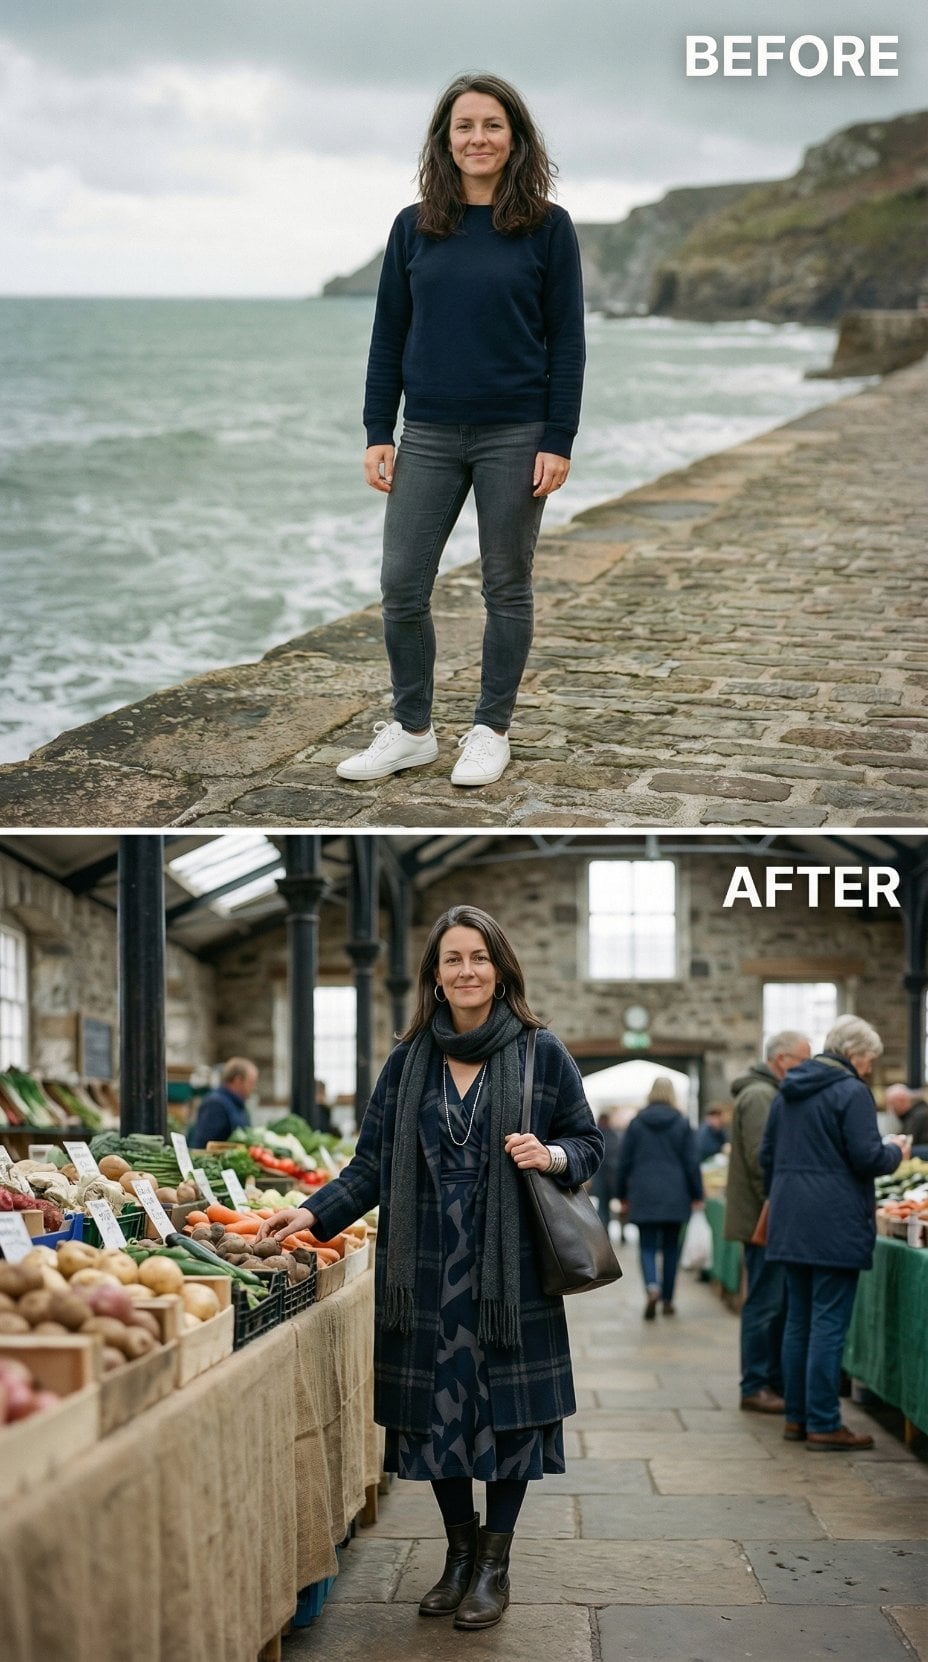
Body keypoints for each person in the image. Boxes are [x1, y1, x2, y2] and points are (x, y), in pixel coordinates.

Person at [258, 905, 603, 1629]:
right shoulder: (407, 1059)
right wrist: (314, 1215)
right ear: (436, 977)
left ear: (501, 968)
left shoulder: (543, 1052)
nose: (467, 970)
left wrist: (556, 1154)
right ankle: (457, 1555)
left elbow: (590, 1144)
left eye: (479, 956)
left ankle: (495, 1567)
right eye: (453, 959)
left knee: (510, 1420)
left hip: (507, 1271)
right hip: (425, 1265)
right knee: (438, 1416)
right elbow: (374, 1164)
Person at [336, 72, 585, 790]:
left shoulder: (548, 226)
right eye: (464, 127)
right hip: (431, 434)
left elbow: (567, 342)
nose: (478, 138)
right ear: (446, 141)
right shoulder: (414, 226)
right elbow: (390, 335)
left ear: (516, 139)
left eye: (492, 125)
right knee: (402, 584)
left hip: (518, 432)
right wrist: (377, 429)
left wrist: (558, 438)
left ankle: (490, 729)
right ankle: (413, 729)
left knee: (506, 586)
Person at [759, 1016, 910, 1450]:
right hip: (835, 1222)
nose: (868, 1069)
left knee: (799, 1322)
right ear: (856, 1054)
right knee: (827, 1325)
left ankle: (797, 1418)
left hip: (791, 1220)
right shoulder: (851, 1091)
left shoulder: (787, 1091)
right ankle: (823, 1422)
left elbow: (766, 1155)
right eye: (869, 1061)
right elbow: (867, 1157)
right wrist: (894, 1152)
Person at [725, 1031, 811, 1414]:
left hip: (766, 1217)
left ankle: (768, 1381)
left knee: (771, 1303)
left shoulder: (764, 1092)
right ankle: (756, 1385)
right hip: (765, 1220)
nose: (806, 1068)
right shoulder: (761, 1095)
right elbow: (765, 1161)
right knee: (765, 1304)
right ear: (781, 1059)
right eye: (803, 1060)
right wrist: (779, 1210)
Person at [616, 1078, 704, 1320]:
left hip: (644, 1192)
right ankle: (667, 1300)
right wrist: (697, 1194)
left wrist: (620, 1194)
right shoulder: (682, 1123)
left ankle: (651, 1286)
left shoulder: (636, 1124)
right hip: (676, 1193)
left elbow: (624, 1161)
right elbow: (691, 1163)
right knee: (671, 1248)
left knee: (646, 1245)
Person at [188, 1057, 257, 1146]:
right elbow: (203, 1145)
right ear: (238, 1080)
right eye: (251, 1083)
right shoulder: (215, 1105)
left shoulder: (238, 1105)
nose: (254, 1088)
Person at [590, 1111, 623, 1223]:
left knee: (602, 1206)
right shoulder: (614, 1135)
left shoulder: (594, 1135)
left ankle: (603, 1232)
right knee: (609, 1206)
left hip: (599, 1176)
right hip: (611, 1176)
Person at [884, 1082, 928, 1153]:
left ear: (902, 1100)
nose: (891, 1110)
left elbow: (906, 1142)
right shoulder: (915, 1113)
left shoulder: (919, 1116)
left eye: (892, 1104)